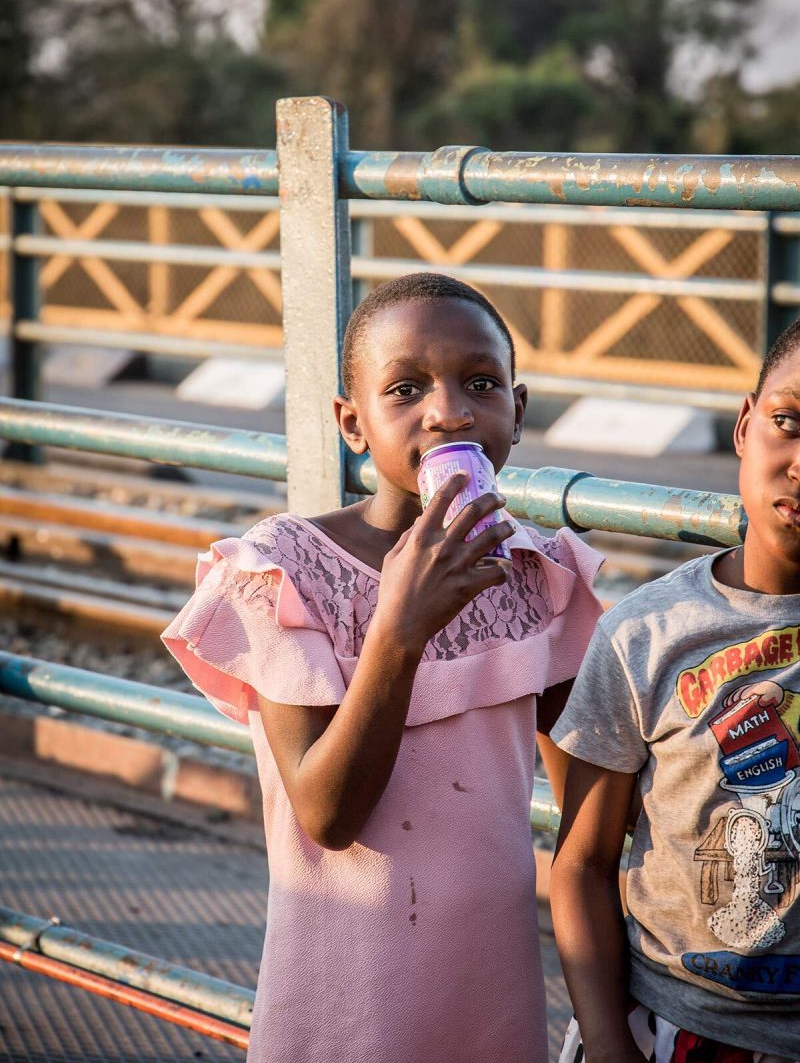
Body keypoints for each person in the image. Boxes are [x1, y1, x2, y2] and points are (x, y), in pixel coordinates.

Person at [162, 272, 604, 1063]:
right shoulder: (286, 570)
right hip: (345, 1001)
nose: (449, 411)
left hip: (491, 985)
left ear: (518, 409)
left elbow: (590, 822)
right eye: (405, 389)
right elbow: (327, 816)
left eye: (481, 383)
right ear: (352, 422)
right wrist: (397, 631)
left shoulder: (543, 577)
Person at [550, 319, 800, 1063]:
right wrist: (606, 1042)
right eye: (789, 422)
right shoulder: (647, 634)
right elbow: (583, 864)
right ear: (746, 426)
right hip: (674, 1028)